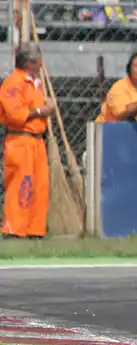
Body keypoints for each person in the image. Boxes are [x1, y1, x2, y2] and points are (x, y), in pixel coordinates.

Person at [0, 42, 54, 239]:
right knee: (21, 185)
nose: (42, 64)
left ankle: (35, 229)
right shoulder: (13, 83)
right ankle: (14, 229)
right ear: (30, 63)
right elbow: (16, 114)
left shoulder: (34, 83)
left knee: (39, 186)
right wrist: (41, 111)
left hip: (37, 141)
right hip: (20, 140)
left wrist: (45, 107)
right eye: (39, 60)